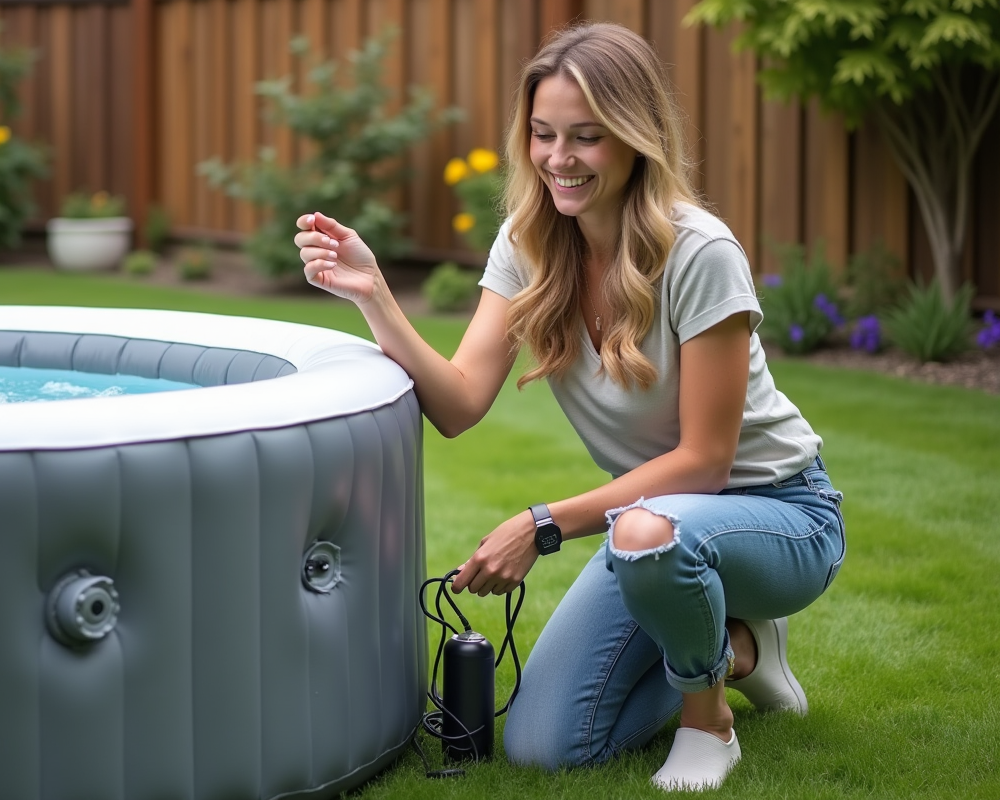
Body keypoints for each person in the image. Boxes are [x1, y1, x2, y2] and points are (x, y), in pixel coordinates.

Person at [293, 22, 845, 792]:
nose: (559, 158)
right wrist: (373, 292)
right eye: (544, 134)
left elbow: (706, 464)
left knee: (652, 532)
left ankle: (708, 722)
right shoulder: (528, 245)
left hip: (780, 517)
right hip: (649, 530)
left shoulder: (701, 254)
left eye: (586, 137)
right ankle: (744, 649)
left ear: (634, 137)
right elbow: (455, 404)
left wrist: (542, 524)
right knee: (544, 744)